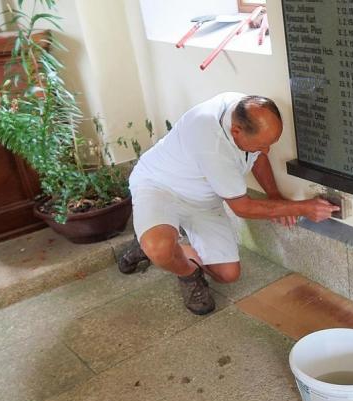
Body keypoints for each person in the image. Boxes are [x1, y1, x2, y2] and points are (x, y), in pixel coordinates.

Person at [118, 92, 339, 315]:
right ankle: (185, 272)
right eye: (262, 145)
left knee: (227, 274)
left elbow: (257, 156)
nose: (267, 151)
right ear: (236, 132)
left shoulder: (242, 109)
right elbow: (242, 208)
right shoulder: (212, 145)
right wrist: (304, 208)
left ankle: (159, 241)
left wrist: (274, 194)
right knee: (159, 248)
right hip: (159, 186)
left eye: (270, 143)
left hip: (203, 198)